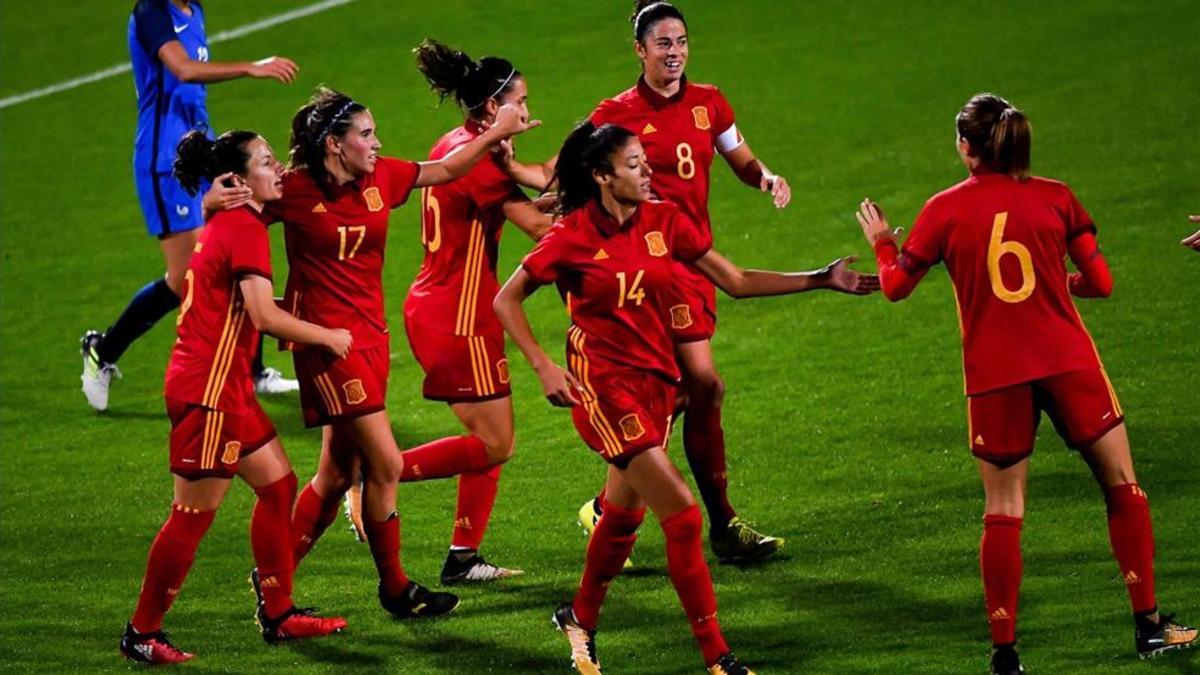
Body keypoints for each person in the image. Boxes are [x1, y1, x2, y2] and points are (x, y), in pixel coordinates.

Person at [494, 122, 877, 675]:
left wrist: (821, 278)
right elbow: (507, 301)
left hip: (656, 385)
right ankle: (717, 657)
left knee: (623, 515)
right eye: (633, 164)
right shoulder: (571, 236)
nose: (647, 170)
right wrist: (543, 364)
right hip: (604, 388)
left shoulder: (663, 220)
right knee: (682, 515)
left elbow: (736, 279)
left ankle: (578, 617)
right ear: (601, 176)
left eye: (644, 160)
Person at [854, 93, 1196, 674]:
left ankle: (1005, 654)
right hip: (1068, 362)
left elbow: (893, 286)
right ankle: (1149, 626)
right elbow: (1102, 282)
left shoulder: (943, 211)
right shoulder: (1056, 197)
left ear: (967, 149)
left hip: (995, 375)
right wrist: (1060, 285)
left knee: (1004, 510)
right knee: (1121, 485)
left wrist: (884, 241)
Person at [505, 0, 794, 561]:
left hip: (692, 263)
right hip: (643, 267)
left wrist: (766, 177)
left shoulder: (710, 103)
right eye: (663, 43)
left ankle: (613, 503)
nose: (675, 53)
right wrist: (507, 167)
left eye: (681, 42)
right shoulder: (616, 114)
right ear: (640, 51)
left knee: (681, 392)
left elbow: (742, 158)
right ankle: (721, 522)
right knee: (703, 385)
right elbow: (563, 172)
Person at [259, 87, 538, 618]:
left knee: (338, 473)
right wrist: (270, 303)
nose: (376, 142)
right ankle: (395, 588)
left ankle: (275, 578)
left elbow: (445, 169)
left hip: (371, 339)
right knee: (384, 464)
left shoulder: (380, 176)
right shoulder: (291, 191)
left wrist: (498, 134)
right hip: (326, 347)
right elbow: (234, 234)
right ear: (334, 144)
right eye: (365, 134)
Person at [120, 129, 352, 664]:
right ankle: (142, 632)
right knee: (191, 514)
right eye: (268, 162)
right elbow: (265, 317)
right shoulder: (244, 229)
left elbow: (240, 296)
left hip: (227, 388)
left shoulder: (228, 220)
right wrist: (328, 335)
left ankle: (279, 611)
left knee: (278, 484)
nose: (278, 170)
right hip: (208, 392)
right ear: (241, 181)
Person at [81, 0, 300, 412]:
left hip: (202, 151)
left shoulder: (193, 10)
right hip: (165, 161)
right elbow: (182, 68)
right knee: (184, 279)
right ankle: (102, 351)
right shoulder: (151, 11)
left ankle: (253, 372)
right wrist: (251, 66)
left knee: (237, 245)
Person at [395, 39, 554, 584]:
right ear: (493, 108)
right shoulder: (482, 162)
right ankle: (380, 472)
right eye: (521, 102)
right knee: (496, 442)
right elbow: (538, 229)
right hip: (459, 317)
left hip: (439, 303)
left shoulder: (459, 143)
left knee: (490, 441)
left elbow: (523, 203)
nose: (528, 112)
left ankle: (463, 556)